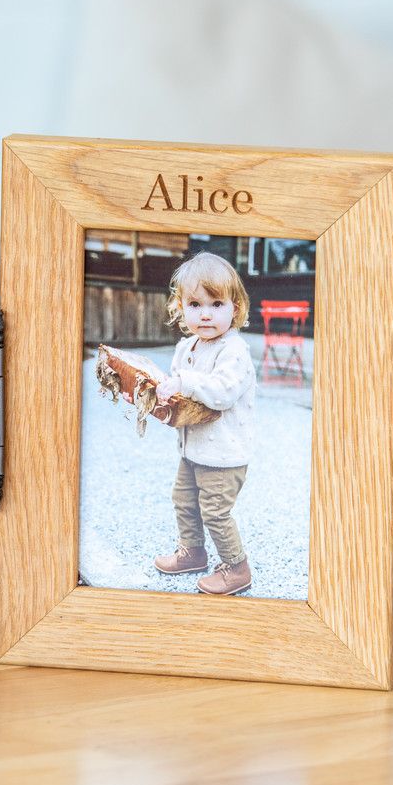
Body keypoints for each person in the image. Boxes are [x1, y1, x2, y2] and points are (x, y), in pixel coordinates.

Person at [150, 252, 257, 595]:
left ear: (235, 308)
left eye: (216, 303)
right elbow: (180, 393)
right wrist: (159, 395)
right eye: (195, 304)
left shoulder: (234, 351)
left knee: (215, 511)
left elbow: (222, 392)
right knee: (183, 499)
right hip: (192, 450)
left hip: (224, 456)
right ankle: (193, 551)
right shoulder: (186, 346)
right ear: (180, 307)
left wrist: (185, 383)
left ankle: (237, 567)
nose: (206, 313)